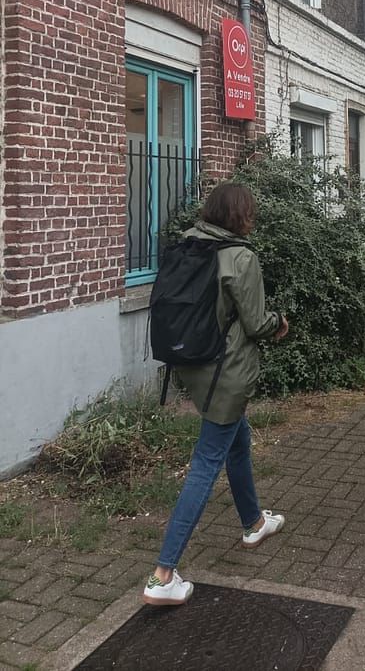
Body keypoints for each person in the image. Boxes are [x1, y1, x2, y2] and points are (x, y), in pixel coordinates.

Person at [143, 182, 289, 606]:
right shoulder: (240, 258)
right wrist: (280, 322)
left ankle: (254, 522)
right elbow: (257, 323)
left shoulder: (189, 246)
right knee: (206, 463)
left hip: (193, 364)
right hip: (227, 372)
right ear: (241, 216)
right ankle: (162, 574)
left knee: (237, 443)